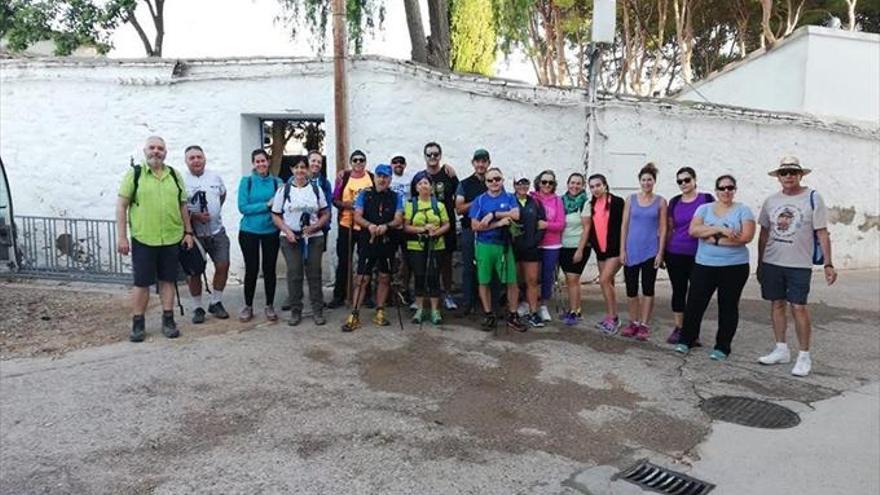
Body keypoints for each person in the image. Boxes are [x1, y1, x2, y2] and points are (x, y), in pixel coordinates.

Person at [756, 156, 837, 377]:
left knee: (798, 307)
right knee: (777, 304)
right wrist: (760, 263)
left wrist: (828, 263)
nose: (789, 176)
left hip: (799, 264)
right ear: (778, 177)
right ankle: (781, 348)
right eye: (784, 173)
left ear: (800, 175)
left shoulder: (813, 198)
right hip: (772, 261)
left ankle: (804, 355)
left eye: (793, 172)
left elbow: (822, 232)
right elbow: (763, 233)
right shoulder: (771, 201)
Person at [116, 136, 194, 342]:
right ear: (145, 150)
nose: (156, 151)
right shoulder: (135, 174)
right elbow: (122, 206)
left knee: (168, 280)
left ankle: (168, 320)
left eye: (160, 148)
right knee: (141, 283)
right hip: (144, 238)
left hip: (171, 237)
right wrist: (122, 237)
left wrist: (188, 232)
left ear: (165, 152)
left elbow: (183, 206)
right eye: (152, 147)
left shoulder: (174, 176)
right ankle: (138, 323)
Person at [674, 175, 755, 359]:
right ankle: (686, 340)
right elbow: (694, 231)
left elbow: (744, 238)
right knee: (695, 304)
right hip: (705, 264)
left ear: (734, 190)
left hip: (734, 267)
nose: (726, 191)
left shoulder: (743, 210)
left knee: (727, 306)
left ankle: (722, 346)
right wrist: (722, 230)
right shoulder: (704, 209)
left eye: (730, 187)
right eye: (722, 188)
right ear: (716, 190)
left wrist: (712, 237)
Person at [343, 164, 404, 331]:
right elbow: (357, 216)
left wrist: (387, 226)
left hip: (387, 241)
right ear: (375, 177)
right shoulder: (365, 194)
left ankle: (380, 311)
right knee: (362, 278)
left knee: (384, 277)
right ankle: (354, 314)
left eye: (386, 176)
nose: (382, 179)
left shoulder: (396, 196)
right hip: (367, 241)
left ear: (390, 179)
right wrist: (369, 225)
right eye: (379, 176)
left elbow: (399, 218)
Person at [272, 156, 331, 326]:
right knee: (294, 273)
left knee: (314, 273)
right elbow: (275, 215)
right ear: (291, 170)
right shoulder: (284, 190)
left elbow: (325, 212)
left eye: (303, 167)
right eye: (296, 167)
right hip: (290, 238)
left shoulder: (315, 189)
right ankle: (295, 311)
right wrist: (287, 231)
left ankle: (317, 310)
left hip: (313, 237)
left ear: (307, 169)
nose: (300, 171)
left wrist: (315, 227)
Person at [469, 168, 526, 332]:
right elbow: (475, 226)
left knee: (511, 281)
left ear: (502, 180)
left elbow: (516, 215)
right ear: (486, 182)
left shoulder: (509, 197)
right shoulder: (480, 200)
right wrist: (498, 223)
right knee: (484, 281)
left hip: (504, 245)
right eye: (490, 180)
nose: (494, 182)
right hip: (484, 245)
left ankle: (513, 315)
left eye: (497, 179)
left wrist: (494, 214)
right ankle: (489, 314)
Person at [182, 145, 231, 323]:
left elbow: (222, 196)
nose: (196, 160)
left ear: (204, 158)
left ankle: (215, 302)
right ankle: (197, 307)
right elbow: (178, 207)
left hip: (217, 231)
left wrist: (214, 211)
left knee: (223, 265)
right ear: (186, 161)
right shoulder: (181, 180)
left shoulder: (215, 177)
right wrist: (194, 215)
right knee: (194, 272)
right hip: (194, 234)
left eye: (199, 157)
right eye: (192, 158)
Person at [665, 167, 714, 344]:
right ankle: (679, 328)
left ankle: (693, 331)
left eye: (687, 180)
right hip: (675, 252)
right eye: (680, 181)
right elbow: (670, 227)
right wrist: (662, 252)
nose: (683, 184)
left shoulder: (706, 200)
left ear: (694, 180)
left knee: (697, 294)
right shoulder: (675, 201)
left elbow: (713, 222)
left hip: (699, 255)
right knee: (678, 291)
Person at [619, 163, 667, 340]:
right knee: (631, 289)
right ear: (639, 181)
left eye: (650, 180)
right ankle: (633, 322)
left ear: (654, 181)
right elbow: (624, 226)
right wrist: (622, 250)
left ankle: (644, 324)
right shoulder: (630, 199)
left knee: (648, 288)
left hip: (650, 251)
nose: (647, 182)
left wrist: (660, 253)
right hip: (631, 250)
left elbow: (663, 229)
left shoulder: (661, 201)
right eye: (644, 179)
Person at [411, 142, 459, 310]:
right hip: (424, 228)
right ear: (424, 156)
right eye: (429, 154)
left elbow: (458, 197)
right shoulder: (419, 177)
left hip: (446, 225)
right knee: (423, 263)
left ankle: (446, 294)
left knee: (446, 261)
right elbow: (413, 200)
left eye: (436, 154)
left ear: (440, 155)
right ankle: (422, 297)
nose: (433, 157)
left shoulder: (449, 175)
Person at [237, 149, 283, 322]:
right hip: (249, 232)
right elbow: (243, 207)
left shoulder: (277, 182)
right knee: (252, 269)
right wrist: (266, 204)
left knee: (269, 269)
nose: (261, 164)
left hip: (271, 231)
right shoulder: (246, 182)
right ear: (253, 164)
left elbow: (280, 205)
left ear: (268, 161)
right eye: (257, 161)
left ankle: (269, 305)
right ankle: (248, 306)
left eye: (263, 161)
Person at [328, 150, 375, 308]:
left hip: (364, 225)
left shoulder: (371, 178)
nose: (358, 163)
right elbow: (334, 199)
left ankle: (366, 295)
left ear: (365, 162)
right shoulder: (344, 177)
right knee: (344, 261)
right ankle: (339, 295)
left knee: (365, 261)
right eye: (355, 160)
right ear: (351, 162)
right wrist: (346, 205)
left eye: (361, 160)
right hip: (346, 224)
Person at [404, 174, 451, 325]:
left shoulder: (439, 205)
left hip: (436, 245)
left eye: (426, 183)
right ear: (416, 187)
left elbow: (446, 224)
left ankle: (435, 310)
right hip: (416, 246)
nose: (423, 186)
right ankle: (420, 309)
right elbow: (406, 226)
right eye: (420, 183)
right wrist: (422, 228)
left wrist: (436, 232)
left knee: (433, 276)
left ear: (431, 187)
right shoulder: (411, 204)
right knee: (419, 275)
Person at [454, 149, 490, 315]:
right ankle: (468, 303)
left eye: (484, 161)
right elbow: (459, 208)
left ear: (488, 163)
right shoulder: (464, 184)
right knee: (468, 267)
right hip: (469, 229)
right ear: (473, 163)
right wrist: (477, 201)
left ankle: (488, 304)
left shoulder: (493, 181)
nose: (481, 164)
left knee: (488, 268)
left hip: (490, 231)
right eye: (478, 161)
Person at [588, 174, 625, 334]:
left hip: (615, 250)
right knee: (608, 284)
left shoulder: (617, 202)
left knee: (603, 281)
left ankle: (614, 317)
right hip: (600, 251)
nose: (595, 189)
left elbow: (625, 226)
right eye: (592, 186)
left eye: (598, 185)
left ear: (605, 185)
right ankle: (610, 316)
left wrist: (625, 248)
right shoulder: (591, 204)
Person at [511, 174, 546, 328]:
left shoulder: (536, 203)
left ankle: (533, 312)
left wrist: (535, 241)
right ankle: (513, 312)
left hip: (531, 248)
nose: (522, 186)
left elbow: (542, 225)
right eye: (519, 183)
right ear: (514, 185)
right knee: (515, 282)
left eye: (525, 183)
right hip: (513, 248)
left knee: (532, 280)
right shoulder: (509, 200)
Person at [558, 173, 593, 326]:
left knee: (572, 280)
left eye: (578, 183)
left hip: (578, 247)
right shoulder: (561, 201)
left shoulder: (585, 203)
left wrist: (580, 250)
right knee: (571, 281)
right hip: (563, 246)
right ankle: (576, 308)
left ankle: (574, 312)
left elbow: (587, 228)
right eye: (572, 183)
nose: (575, 186)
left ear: (583, 186)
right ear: (567, 183)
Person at [531, 170, 564, 323]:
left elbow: (561, 224)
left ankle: (543, 305)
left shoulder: (557, 200)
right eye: (544, 182)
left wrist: (546, 225)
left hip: (552, 244)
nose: (547, 185)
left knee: (547, 276)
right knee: (531, 276)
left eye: (550, 182)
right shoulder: (532, 197)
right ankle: (529, 302)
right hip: (535, 243)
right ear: (538, 182)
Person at [389, 154, 415, 303]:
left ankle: (405, 289)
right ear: (391, 165)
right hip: (392, 224)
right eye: (395, 162)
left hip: (407, 223)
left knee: (408, 259)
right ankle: (390, 292)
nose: (398, 164)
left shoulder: (410, 178)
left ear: (405, 165)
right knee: (390, 259)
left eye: (401, 162)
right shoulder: (387, 178)